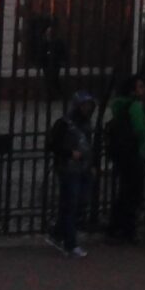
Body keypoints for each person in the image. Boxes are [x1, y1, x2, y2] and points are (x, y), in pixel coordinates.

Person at [44, 91, 96, 257]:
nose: (87, 108)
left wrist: (91, 164)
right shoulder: (64, 123)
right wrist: (69, 153)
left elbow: (88, 145)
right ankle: (70, 243)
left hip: (83, 168)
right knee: (70, 204)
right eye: (84, 105)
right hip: (68, 168)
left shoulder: (86, 123)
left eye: (89, 105)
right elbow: (52, 144)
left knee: (79, 203)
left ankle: (58, 233)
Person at [103, 75, 145, 243]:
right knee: (133, 193)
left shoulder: (119, 105)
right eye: (140, 87)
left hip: (121, 154)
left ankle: (114, 225)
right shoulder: (135, 106)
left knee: (124, 191)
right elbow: (140, 129)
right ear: (133, 90)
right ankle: (127, 229)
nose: (143, 90)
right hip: (135, 153)